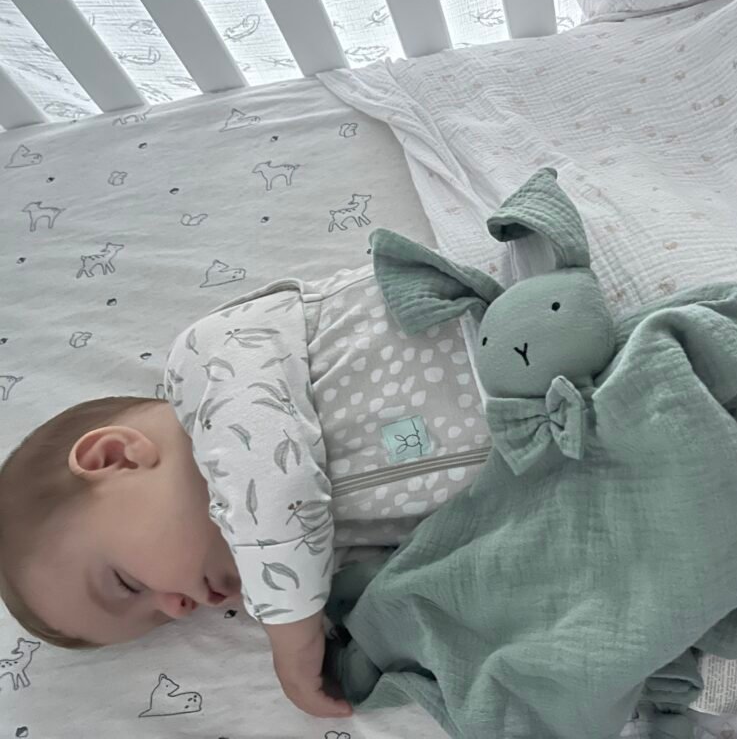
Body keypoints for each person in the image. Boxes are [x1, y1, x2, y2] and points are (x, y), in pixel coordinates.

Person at [0, 263, 486, 718]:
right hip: (527, 438)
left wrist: (293, 636)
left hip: (491, 319)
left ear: (115, 457)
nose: (178, 608)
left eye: (129, 584)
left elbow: (275, 476)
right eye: (159, 619)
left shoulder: (209, 364)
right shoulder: (314, 561)